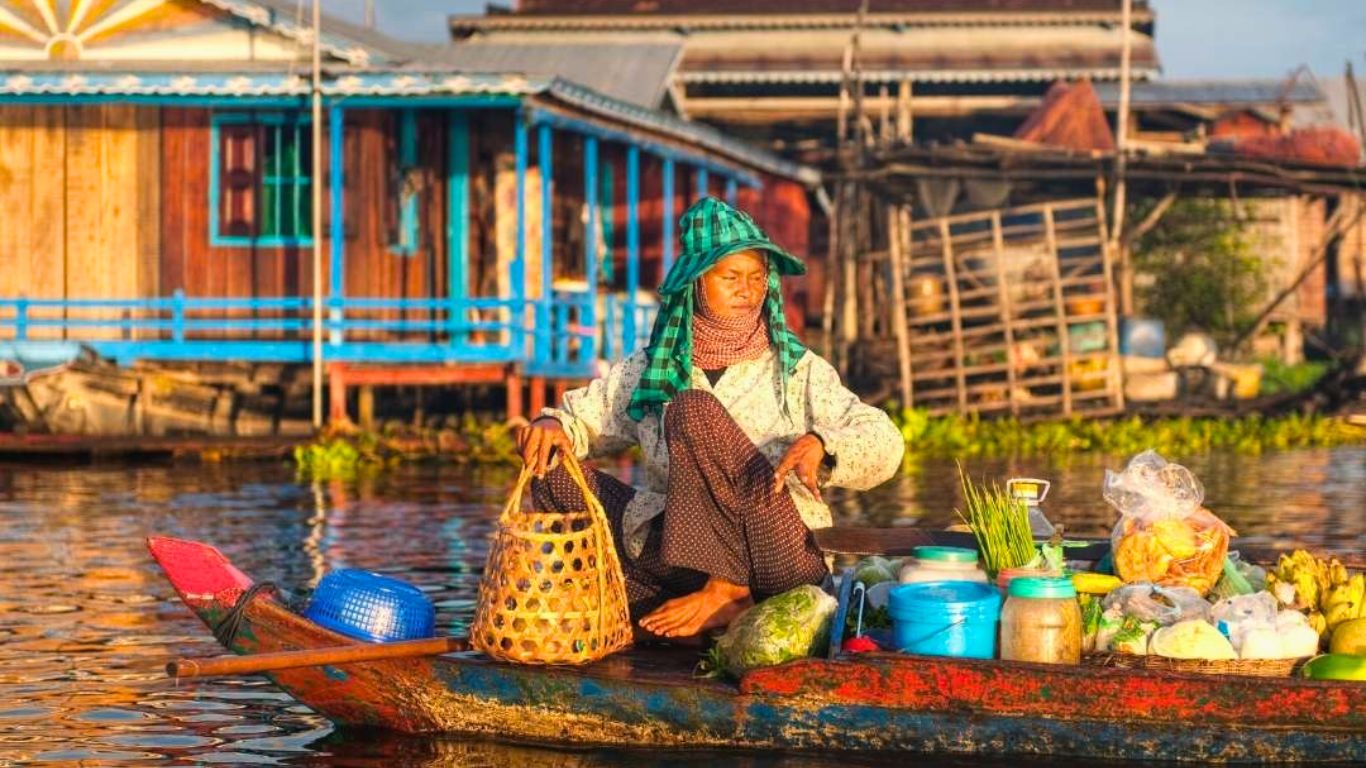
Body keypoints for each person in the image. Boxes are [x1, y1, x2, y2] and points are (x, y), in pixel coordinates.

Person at [517, 197, 903, 640]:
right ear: (697, 283)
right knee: (551, 471)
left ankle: (729, 594)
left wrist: (823, 444)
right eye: (731, 277)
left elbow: (885, 440)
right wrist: (552, 427)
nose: (747, 290)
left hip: (779, 555)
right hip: (689, 560)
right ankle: (675, 604)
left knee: (692, 409)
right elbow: (581, 418)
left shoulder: (797, 370)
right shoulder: (652, 368)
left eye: (757, 278)